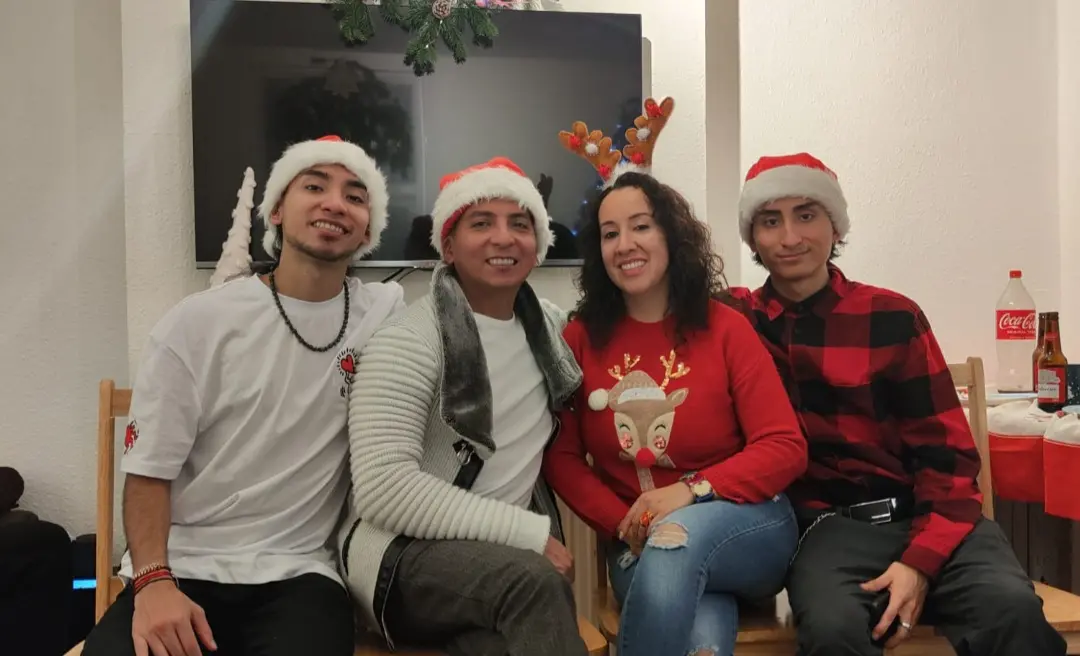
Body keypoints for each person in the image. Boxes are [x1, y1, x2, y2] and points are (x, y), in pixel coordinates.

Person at [82, 135, 407, 656]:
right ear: (276, 210)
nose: (334, 203)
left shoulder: (384, 316)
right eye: (314, 186)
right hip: (182, 566)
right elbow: (148, 471)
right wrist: (153, 583)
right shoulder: (198, 322)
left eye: (355, 194)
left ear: (369, 226)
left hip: (301, 574)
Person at [731, 152, 1066, 655]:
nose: (789, 237)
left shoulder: (891, 316)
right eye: (770, 221)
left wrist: (919, 563)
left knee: (1011, 611)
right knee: (830, 629)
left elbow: (949, 460)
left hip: (931, 515)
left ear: (835, 225)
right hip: (829, 527)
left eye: (806, 214)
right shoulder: (736, 323)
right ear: (752, 236)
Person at [543, 98, 808, 656]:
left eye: (641, 226)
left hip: (748, 525)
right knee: (699, 636)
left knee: (672, 543)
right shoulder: (581, 338)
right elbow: (562, 457)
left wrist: (687, 492)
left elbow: (784, 447)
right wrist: (625, 521)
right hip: (636, 542)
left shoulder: (725, 329)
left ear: (670, 237)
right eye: (610, 233)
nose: (626, 244)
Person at [338, 157, 589, 656]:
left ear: (538, 247)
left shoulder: (554, 333)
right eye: (481, 223)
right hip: (402, 557)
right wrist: (528, 535)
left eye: (520, 224)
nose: (504, 238)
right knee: (536, 583)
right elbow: (383, 490)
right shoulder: (408, 339)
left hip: (499, 574)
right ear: (447, 247)